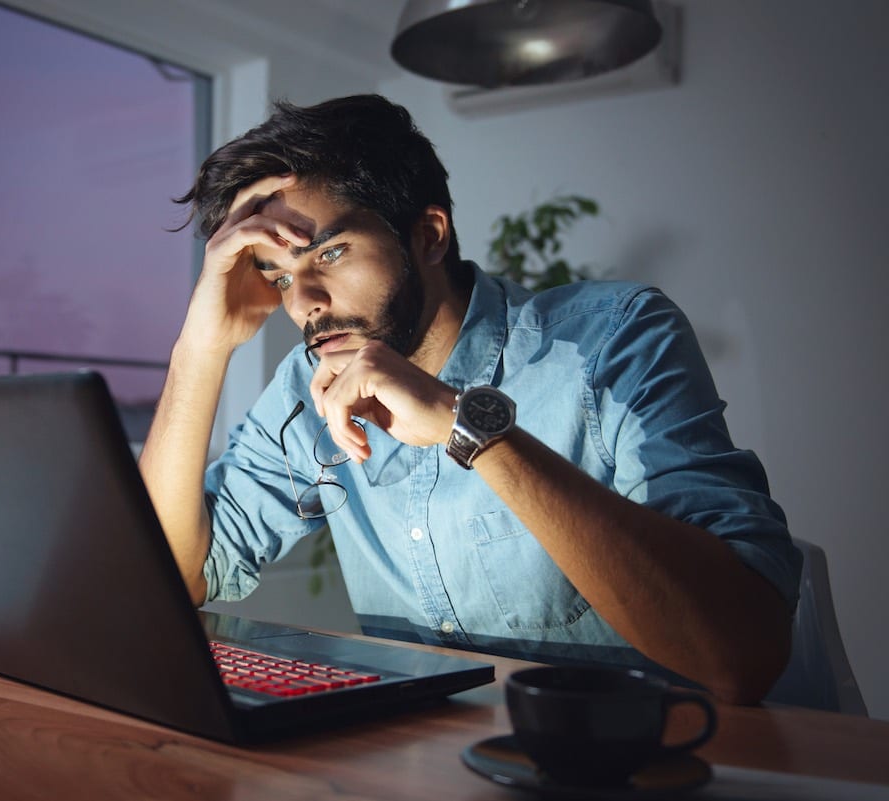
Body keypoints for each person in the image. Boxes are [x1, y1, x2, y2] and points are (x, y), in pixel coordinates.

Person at [138, 94, 801, 705]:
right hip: (440, 765)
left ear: (428, 234)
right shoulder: (310, 384)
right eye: (280, 275)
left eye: (330, 253)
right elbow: (173, 579)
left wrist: (468, 428)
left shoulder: (613, 338)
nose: (303, 302)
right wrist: (201, 349)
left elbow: (741, 653)